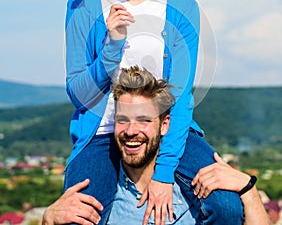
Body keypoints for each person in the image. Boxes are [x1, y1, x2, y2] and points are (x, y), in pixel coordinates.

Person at [64, 0, 243, 225]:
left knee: (226, 207)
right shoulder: (83, 4)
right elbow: (78, 94)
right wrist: (112, 46)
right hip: (102, 134)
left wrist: (164, 174)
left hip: (169, 132)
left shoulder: (181, 7)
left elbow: (181, 95)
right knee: (79, 216)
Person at [43, 67, 269, 225]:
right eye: (123, 120)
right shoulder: (99, 199)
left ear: (164, 125)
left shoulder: (197, 195)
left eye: (143, 120)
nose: (131, 131)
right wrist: (49, 219)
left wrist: (248, 190)